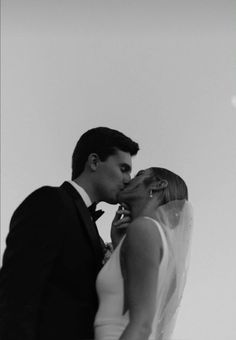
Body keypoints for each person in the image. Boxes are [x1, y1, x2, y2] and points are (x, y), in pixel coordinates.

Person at [0, 127, 139, 340]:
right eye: (123, 168)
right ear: (94, 162)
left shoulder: (91, 227)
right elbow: (17, 291)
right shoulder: (50, 201)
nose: (128, 179)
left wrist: (116, 245)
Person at [94, 167, 193, 340]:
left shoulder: (143, 229)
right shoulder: (156, 239)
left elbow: (142, 326)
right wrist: (119, 246)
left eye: (139, 175)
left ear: (157, 185)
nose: (129, 179)